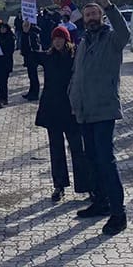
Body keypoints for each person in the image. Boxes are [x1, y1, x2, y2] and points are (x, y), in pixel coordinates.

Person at [68, 0, 130, 236]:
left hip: (104, 109)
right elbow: (77, 73)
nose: (91, 17)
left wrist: (110, 6)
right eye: (88, 14)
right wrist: (72, 96)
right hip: (84, 110)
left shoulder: (112, 39)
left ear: (102, 17)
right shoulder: (84, 42)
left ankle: (118, 213)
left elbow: (124, 33)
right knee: (92, 159)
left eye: (95, 13)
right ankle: (100, 201)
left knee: (106, 161)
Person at [35, 25, 92, 202]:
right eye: (55, 39)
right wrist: (28, 33)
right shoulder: (48, 57)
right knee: (56, 149)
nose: (57, 42)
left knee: (78, 149)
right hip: (52, 110)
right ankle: (59, 185)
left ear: (67, 40)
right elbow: (28, 55)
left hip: (71, 110)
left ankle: (86, 186)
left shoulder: (75, 57)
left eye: (60, 38)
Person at [0, 23, 16, 107]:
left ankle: (4, 99)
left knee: (3, 81)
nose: (2, 30)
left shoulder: (10, 38)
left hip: (6, 62)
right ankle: (1, 97)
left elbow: (10, 51)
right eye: (1, 28)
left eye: (4, 28)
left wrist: (1, 53)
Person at [20, 20, 43, 101]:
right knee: (31, 76)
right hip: (28, 57)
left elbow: (35, 46)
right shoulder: (25, 33)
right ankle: (31, 92)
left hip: (32, 57)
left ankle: (35, 94)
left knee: (34, 76)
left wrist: (31, 52)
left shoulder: (33, 33)